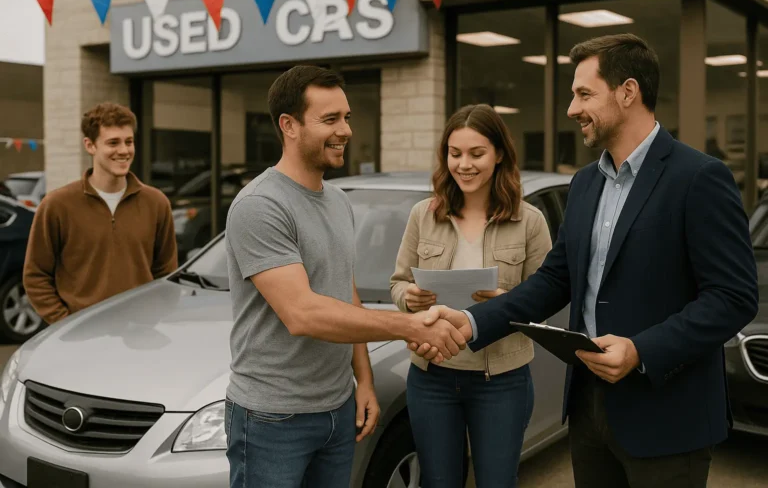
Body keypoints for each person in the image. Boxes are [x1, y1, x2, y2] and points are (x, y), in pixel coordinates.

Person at [414, 34, 759, 488]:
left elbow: (733, 297)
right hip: (589, 412)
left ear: (628, 92)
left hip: (668, 417)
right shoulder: (584, 184)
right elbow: (553, 280)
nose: (572, 109)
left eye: (583, 94)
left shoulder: (699, 177)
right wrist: (472, 322)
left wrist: (640, 350)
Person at [223, 65, 467, 488]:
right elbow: (303, 314)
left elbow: (344, 293)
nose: (346, 130)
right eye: (330, 119)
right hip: (272, 418)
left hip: (337, 409)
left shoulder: (337, 200)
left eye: (347, 117)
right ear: (289, 126)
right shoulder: (260, 205)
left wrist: (364, 380)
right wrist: (409, 325)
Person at [389, 104, 551, 487]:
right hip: (431, 376)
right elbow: (397, 283)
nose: (464, 165)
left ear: (499, 154)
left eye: (477, 154)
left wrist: (506, 301)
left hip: (501, 380)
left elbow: (545, 302)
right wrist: (409, 297)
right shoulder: (423, 215)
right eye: (455, 153)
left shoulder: (529, 221)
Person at [24, 102, 178, 324]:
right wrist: (65, 323)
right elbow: (36, 276)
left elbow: (167, 274)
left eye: (129, 142)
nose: (124, 151)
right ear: (90, 145)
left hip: (141, 334)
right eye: (113, 143)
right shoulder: (57, 205)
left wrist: (153, 318)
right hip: (81, 335)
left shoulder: (156, 203)